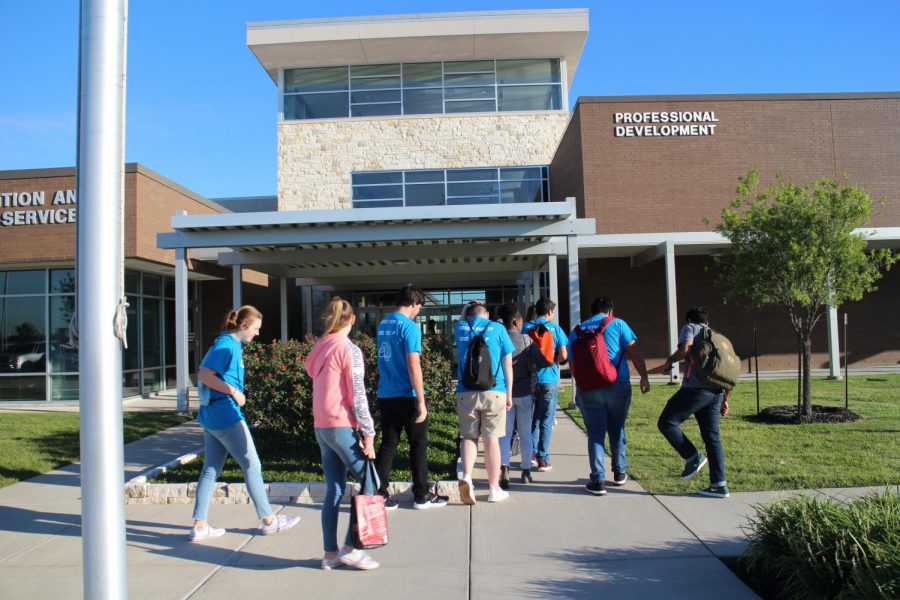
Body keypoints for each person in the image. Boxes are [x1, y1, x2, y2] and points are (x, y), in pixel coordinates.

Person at [189, 305, 300, 542]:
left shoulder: (230, 345)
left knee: (210, 469)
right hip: (225, 415)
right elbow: (205, 375)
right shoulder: (226, 345)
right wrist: (234, 392)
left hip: (213, 416)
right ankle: (269, 520)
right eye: (256, 328)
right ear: (243, 326)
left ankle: (199, 525)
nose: (257, 333)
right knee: (252, 465)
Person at [305, 297, 381, 570]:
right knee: (371, 481)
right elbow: (358, 395)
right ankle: (351, 548)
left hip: (322, 428)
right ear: (352, 320)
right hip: (341, 425)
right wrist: (369, 434)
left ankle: (330, 554)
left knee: (334, 489)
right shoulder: (349, 349)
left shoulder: (320, 347)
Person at [568, 296, 650, 496]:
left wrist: (582, 385)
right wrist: (644, 377)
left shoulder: (577, 331)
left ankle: (597, 480)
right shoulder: (618, 324)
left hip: (588, 389)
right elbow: (634, 352)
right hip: (617, 384)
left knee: (595, 433)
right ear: (610, 311)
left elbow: (573, 365)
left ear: (592, 311)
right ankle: (620, 472)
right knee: (617, 427)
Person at [374, 284, 447, 510]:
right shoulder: (410, 328)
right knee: (418, 444)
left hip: (386, 393)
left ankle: (379, 494)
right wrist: (421, 402)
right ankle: (421, 495)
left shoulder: (383, 324)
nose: (419, 312)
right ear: (414, 303)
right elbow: (413, 365)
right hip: (407, 394)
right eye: (419, 307)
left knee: (388, 444)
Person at [651, 306, 731, 498]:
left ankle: (693, 457)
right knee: (712, 438)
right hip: (716, 391)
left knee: (667, 422)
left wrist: (669, 362)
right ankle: (719, 485)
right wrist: (725, 399)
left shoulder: (691, 329)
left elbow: (685, 349)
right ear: (707, 321)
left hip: (695, 390)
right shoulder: (716, 336)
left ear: (689, 320)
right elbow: (726, 370)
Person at [455, 301, 515, 504]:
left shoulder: (462, 327)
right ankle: (493, 488)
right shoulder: (498, 328)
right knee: (491, 440)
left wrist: (467, 309)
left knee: (469, 437)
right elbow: (508, 363)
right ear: (487, 314)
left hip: (466, 392)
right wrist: (509, 393)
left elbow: (464, 317)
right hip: (494, 391)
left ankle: (467, 479)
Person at [522, 298, 568, 472]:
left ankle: (531, 455)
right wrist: (555, 361)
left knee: (531, 418)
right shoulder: (555, 329)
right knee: (546, 419)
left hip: (529, 379)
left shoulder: (526, 328)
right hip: (549, 379)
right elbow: (563, 354)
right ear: (549, 312)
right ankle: (543, 458)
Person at [497, 302, 535, 487]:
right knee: (526, 433)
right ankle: (526, 470)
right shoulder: (527, 340)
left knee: (504, 434)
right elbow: (536, 365)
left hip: (504, 396)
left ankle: (504, 469)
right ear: (515, 321)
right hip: (525, 392)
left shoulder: (497, 339)